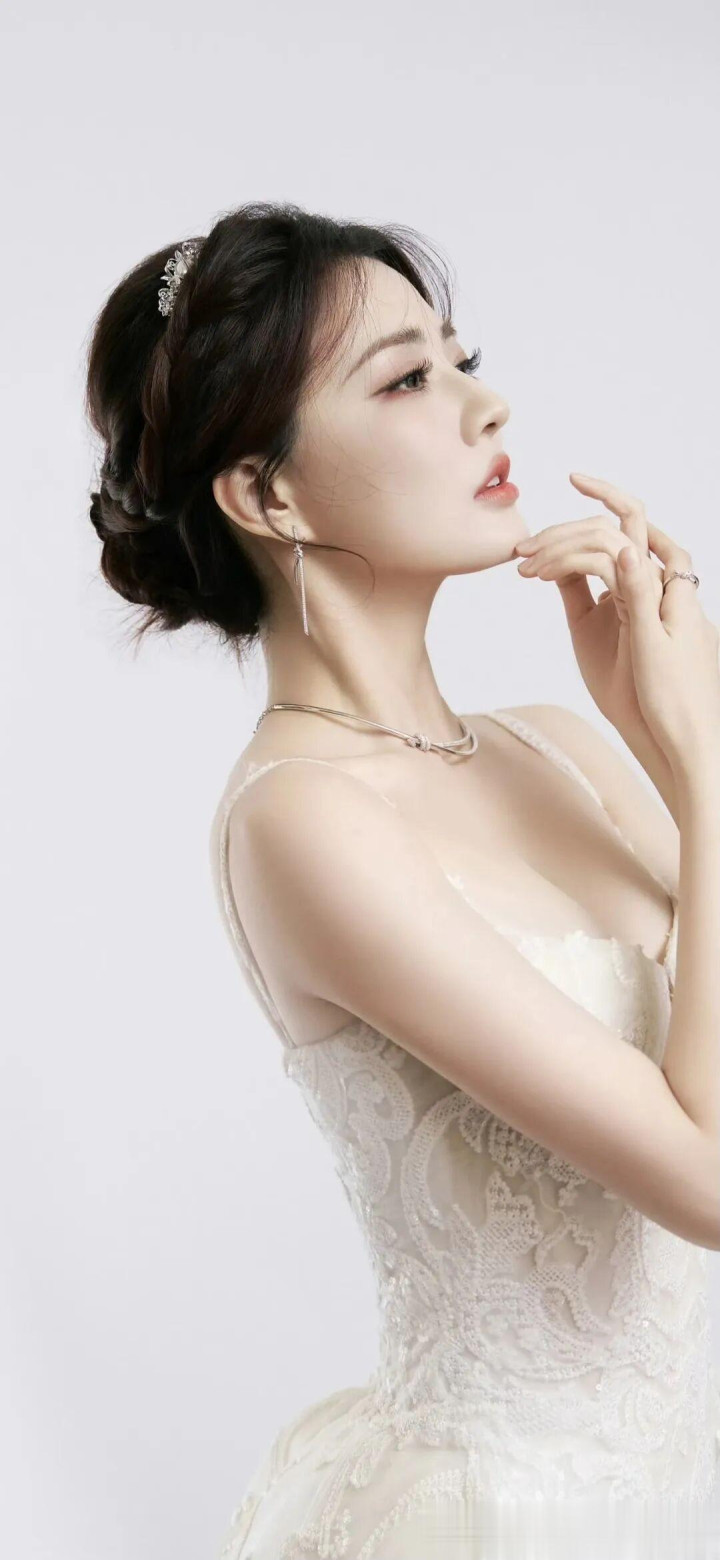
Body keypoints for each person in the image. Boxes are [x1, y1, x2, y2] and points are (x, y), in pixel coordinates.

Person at [84, 202, 720, 1559]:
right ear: (266, 495)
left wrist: (669, 755)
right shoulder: (301, 821)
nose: (487, 407)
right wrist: (704, 766)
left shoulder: (558, 749)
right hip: (489, 1520)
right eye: (406, 379)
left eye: (461, 359)